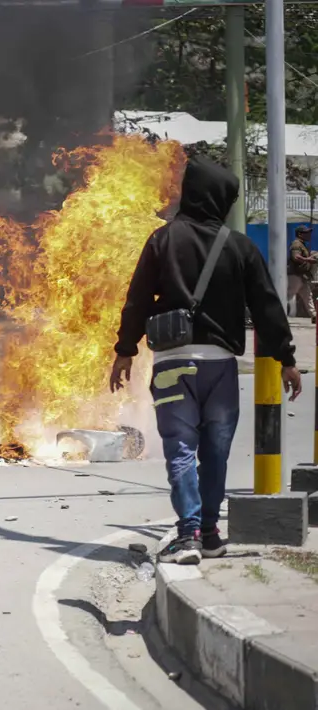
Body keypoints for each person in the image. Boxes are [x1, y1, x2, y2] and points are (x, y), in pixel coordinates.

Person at [109, 156, 301, 565]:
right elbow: (266, 305)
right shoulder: (240, 246)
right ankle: (210, 534)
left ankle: (189, 535)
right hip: (221, 367)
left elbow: (137, 299)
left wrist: (125, 350)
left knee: (180, 450)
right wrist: (286, 358)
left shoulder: (162, 240)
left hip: (172, 365)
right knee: (215, 453)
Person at [288, 225, 317, 321]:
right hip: (295, 276)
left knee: (307, 295)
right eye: (306, 233)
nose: (309, 235)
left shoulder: (302, 244)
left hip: (301, 276)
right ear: (300, 234)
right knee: (287, 296)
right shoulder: (296, 244)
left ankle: (314, 316)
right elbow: (296, 257)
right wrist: (308, 260)